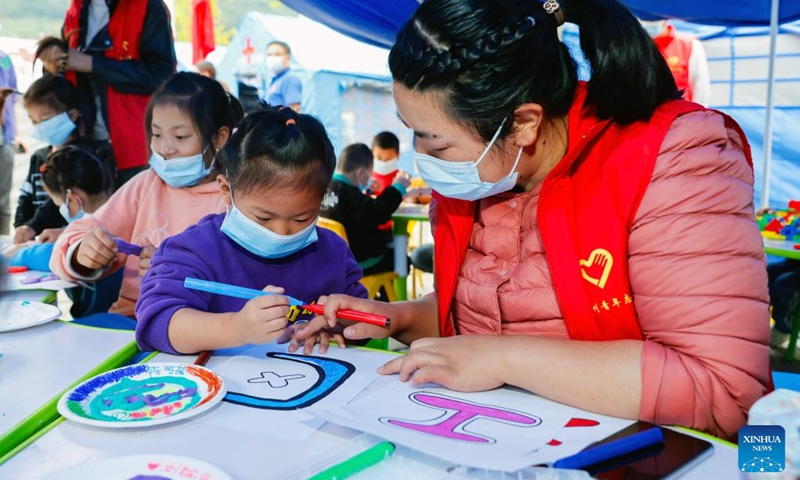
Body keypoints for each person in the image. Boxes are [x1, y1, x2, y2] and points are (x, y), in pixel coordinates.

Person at [294, 0, 770, 440]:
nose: (424, 160)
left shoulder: (675, 157)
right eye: (414, 134)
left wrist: (506, 358)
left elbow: (723, 388)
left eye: (436, 144)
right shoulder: (481, 176)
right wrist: (397, 318)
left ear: (523, 123)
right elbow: (472, 331)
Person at [135, 107, 367, 355]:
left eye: (302, 218)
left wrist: (334, 327)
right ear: (226, 190)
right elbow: (156, 325)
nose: (282, 232)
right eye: (263, 217)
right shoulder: (195, 250)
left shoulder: (332, 252)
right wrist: (237, 328)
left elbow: (363, 320)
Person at [50, 72, 239, 317]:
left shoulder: (239, 199)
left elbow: (248, 287)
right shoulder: (148, 184)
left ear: (220, 137)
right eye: (157, 134)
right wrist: (82, 253)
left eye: (181, 137)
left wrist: (178, 274)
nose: (165, 149)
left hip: (206, 330)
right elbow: (76, 234)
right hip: (132, 323)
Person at [36, 0, 176, 187]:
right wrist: (52, 66)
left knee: (136, 213)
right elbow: (68, 72)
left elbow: (161, 74)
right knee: (88, 215)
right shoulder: (75, 10)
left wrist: (92, 64)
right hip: (83, 142)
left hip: (135, 146)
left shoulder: (148, 7)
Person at [3, 146, 122, 317]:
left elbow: (52, 254)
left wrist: (16, 253)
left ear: (72, 200)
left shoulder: (93, 231)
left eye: (59, 205)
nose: (60, 210)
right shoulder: (120, 212)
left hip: (104, 321)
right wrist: (64, 232)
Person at [13, 75, 114, 246]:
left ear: (73, 114)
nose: (39, 125)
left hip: (78, 242)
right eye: (34, 120)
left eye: (45, 119)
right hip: (41, 242)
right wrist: (23, 226)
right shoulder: (38, 157)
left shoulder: (90, 156)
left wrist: (35, 226)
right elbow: (25, 196)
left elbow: (60, 200)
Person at [321, 143, 411, 276]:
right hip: (359, 261)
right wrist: (397, 188)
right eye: (369, 174)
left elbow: (350, 208)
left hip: (331, 259)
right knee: (403, 260)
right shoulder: (350, 194)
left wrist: (366, 187)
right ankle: (386, 297)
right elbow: (377, 212)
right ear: (361, 172)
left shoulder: (323, 188)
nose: (369, 178)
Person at [640, 20, 711, 105]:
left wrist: (697, 116)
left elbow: (701, 88)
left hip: (680, 114)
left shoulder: (689, 44)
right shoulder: (631, 44)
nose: (650, 20)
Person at [0, 50, 18, 235]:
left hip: (5, 136)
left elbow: (13, 99)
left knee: (3, 198)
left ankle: (2, 243)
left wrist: (16, 133)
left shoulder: (4, 59)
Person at [263, 41, 302, 112]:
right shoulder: (275, 80)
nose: (272, 58)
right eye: (269, 54)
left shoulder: (290, 79)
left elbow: (295, 111)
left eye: (277, 54)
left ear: (288, 58)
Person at [370, 131, 402, 196]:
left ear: (398, 155)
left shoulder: (402, 180)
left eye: (389, 159)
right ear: (371, 154)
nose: (383, 163)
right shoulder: (365, 180)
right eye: (379, 158)